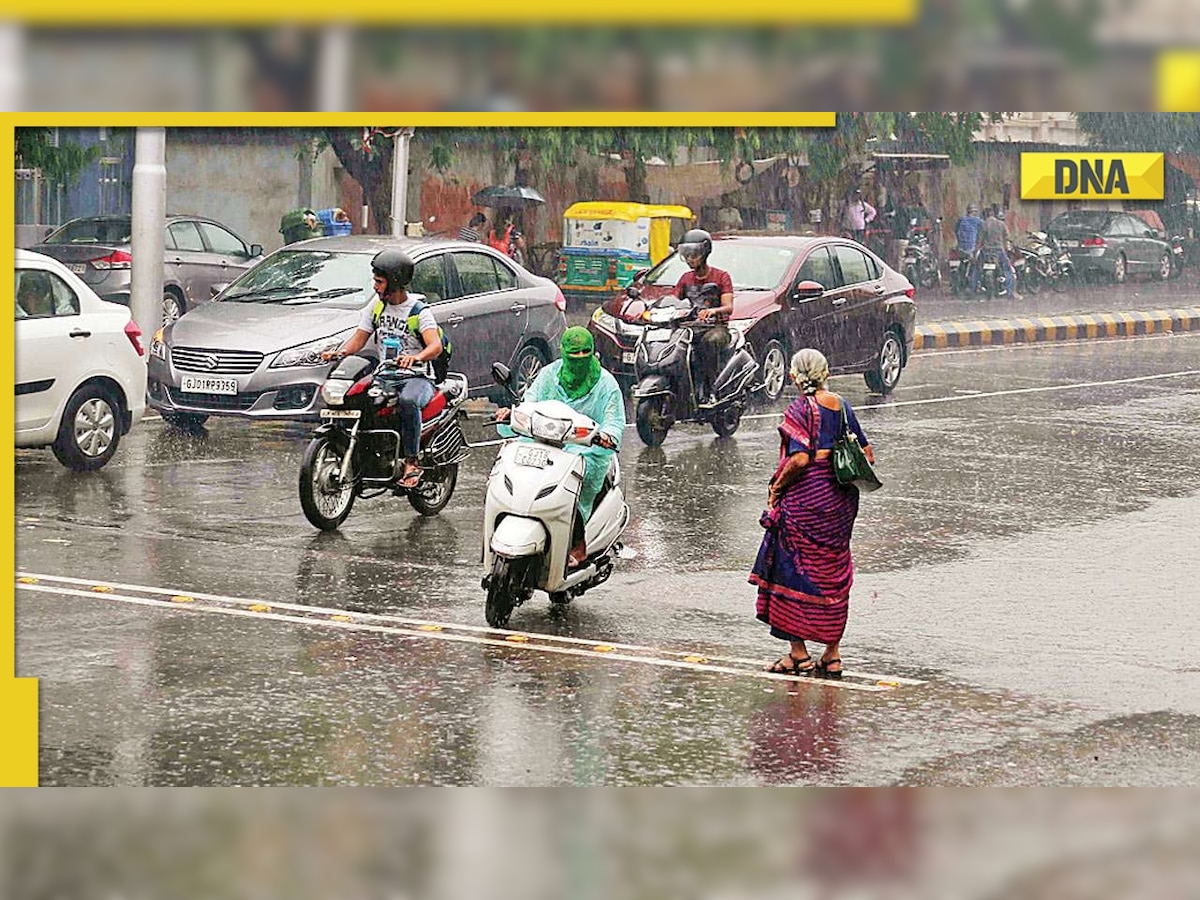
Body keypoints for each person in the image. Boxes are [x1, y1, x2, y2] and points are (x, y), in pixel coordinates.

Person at [749, 348, 875, 680]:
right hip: (840, 502)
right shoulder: (843, 406)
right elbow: (867, 453)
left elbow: (800, 459)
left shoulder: (799, 409)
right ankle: (831, 655)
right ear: (826, 374)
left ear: (793, 376)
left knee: (790, 570)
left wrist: (776, 488)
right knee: (831, 573)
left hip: (807, 499)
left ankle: (799, 653)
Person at [495, 327, 625, 567]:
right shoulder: (548, 375)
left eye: (585, 352)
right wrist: (512, 415)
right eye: (574, 353)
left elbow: (614, 421)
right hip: (542, 443)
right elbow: (529, 403)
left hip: (585, 449)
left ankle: (578, 543)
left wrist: (607, 436)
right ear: (563, 353)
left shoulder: (606, 384)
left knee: (570, 487)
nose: (579, 358)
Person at [321, 248, 442, 489]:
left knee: (408, 401)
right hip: (384, 376)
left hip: (417, 378)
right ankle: (361, 454)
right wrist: (339, 352)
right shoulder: (376, 308)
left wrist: (416, 357)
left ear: (395, 282)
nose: (375, 287)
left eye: (379, 281)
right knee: (353, 397)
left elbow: (435, 346)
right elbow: (359, 339)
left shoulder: (419, 312)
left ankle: (411, 461)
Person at [672, 227, 734, 405]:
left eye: (694, 255)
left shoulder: (721, 276)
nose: (690, 259)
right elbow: (673, 300)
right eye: (687, 255)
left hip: (715, 328)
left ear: (705, 253)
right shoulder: (685, 278)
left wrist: (713, 312)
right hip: (690, 329)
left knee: (709, 343)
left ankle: (710, 389)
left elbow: (729, 307)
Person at [974, 207, 1021, 300]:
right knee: (1008, 270)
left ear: (984, 215)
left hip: (985, 251)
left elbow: (979, 241)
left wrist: (975, 252)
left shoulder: (983, 225)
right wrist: (1008, 247)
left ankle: (973, 290)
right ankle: (1011, 292)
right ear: (993, 214)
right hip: (999, 251)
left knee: (976, 271)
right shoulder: (1001, 224)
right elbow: (1007, 238)